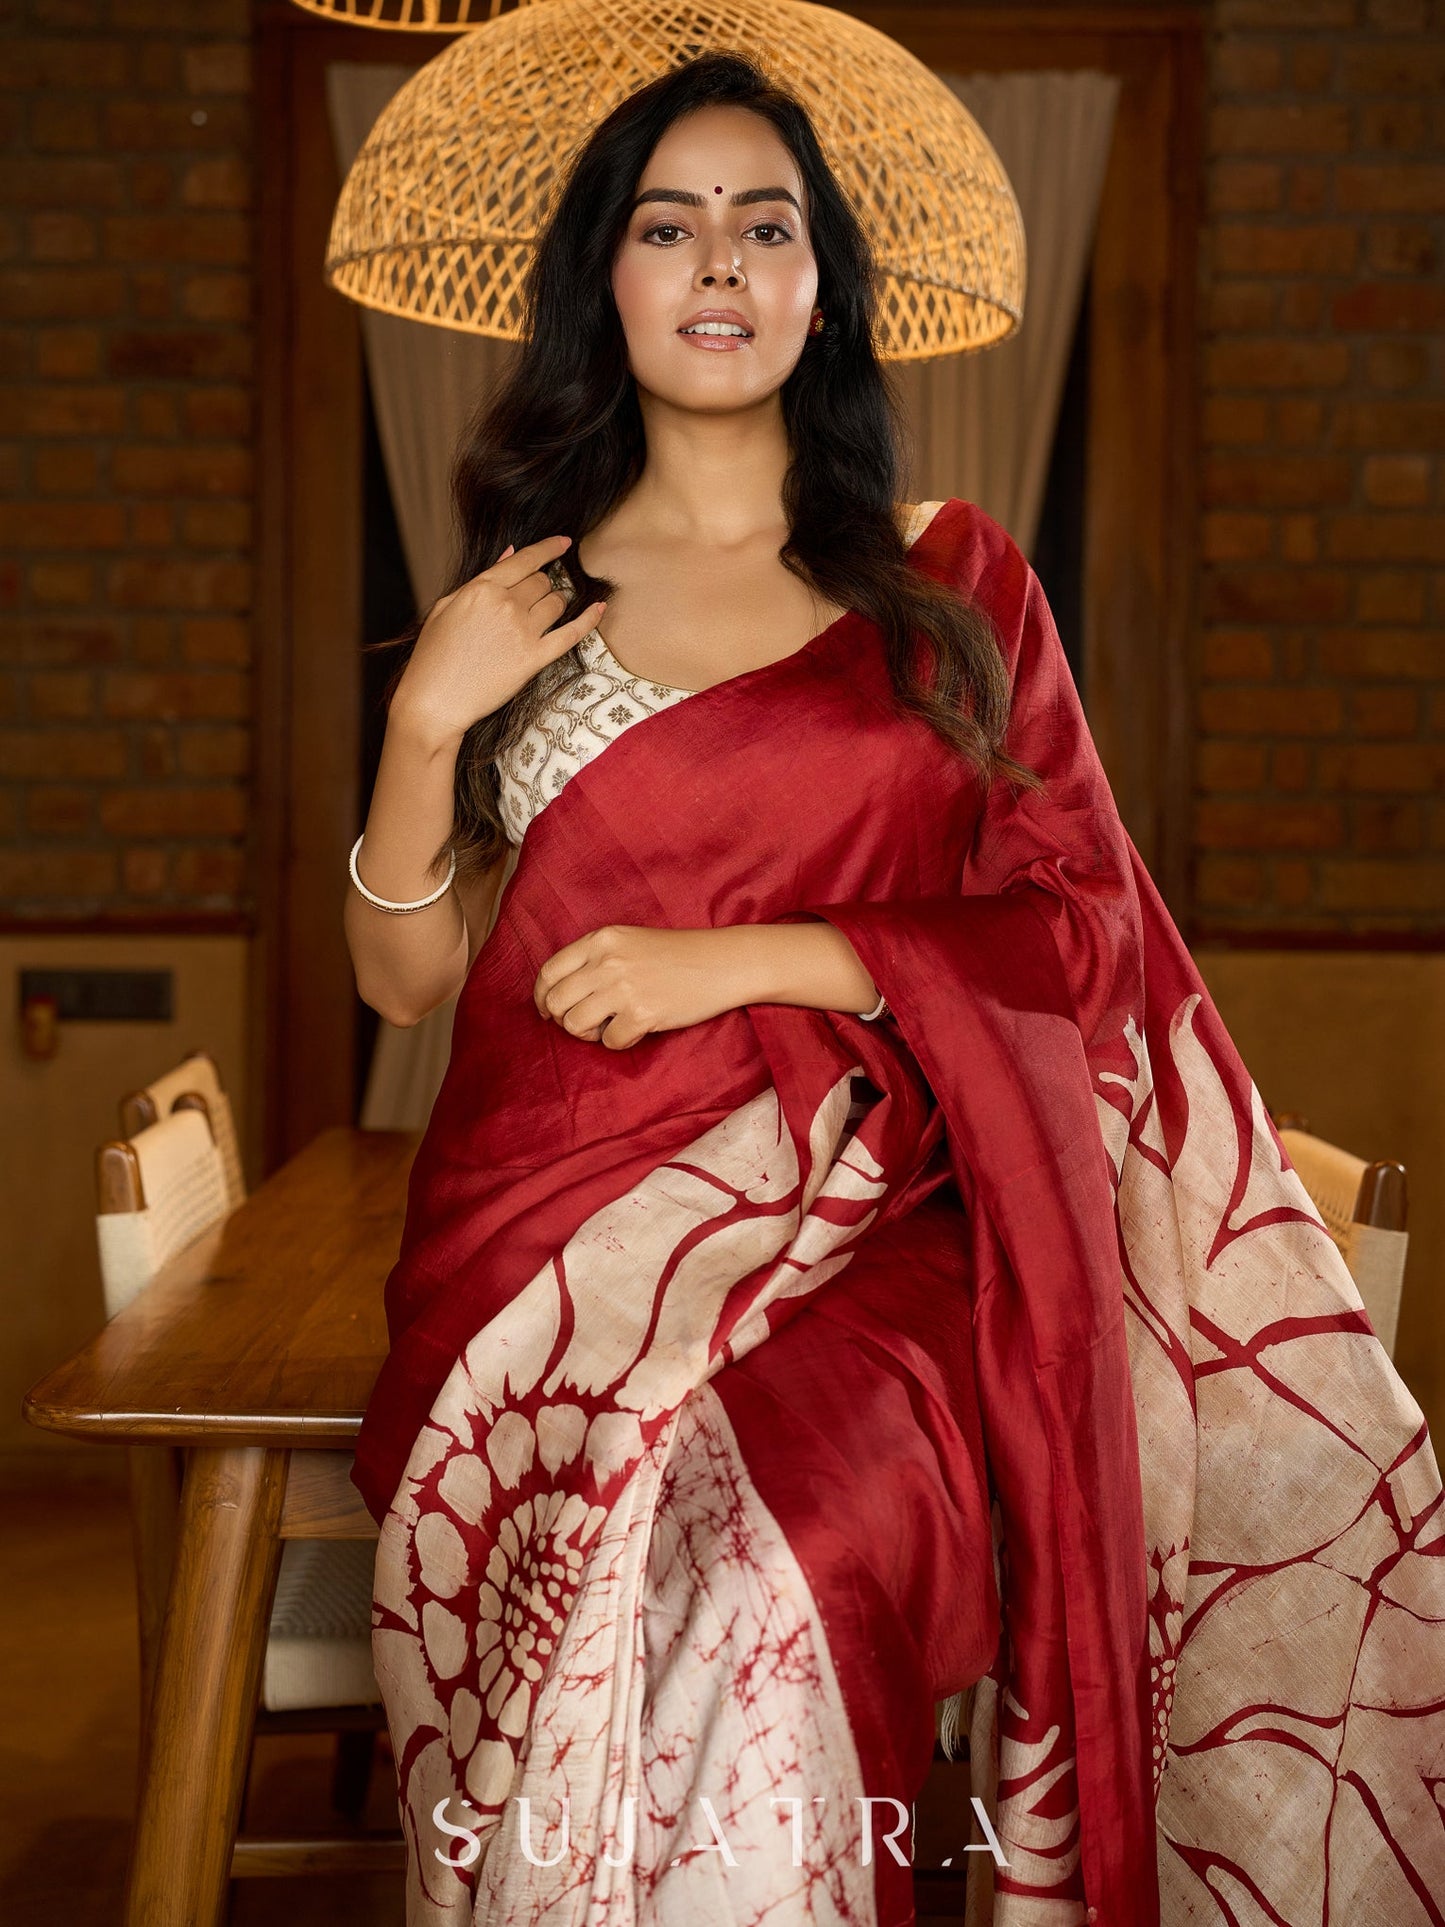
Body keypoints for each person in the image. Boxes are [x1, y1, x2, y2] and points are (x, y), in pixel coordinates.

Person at [341, 50, 1445, 1927]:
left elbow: (1081, 931)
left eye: (765, 226)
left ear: (821, 286)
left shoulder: (944, 588)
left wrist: (767, 959)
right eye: (663, 223)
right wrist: (424, 718)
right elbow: (412, 972)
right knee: (603, 1569)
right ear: (603, 281)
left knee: (762, 1565)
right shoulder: (526, 601)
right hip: (549, 1242)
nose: (715, 263)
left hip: (889, 1217)